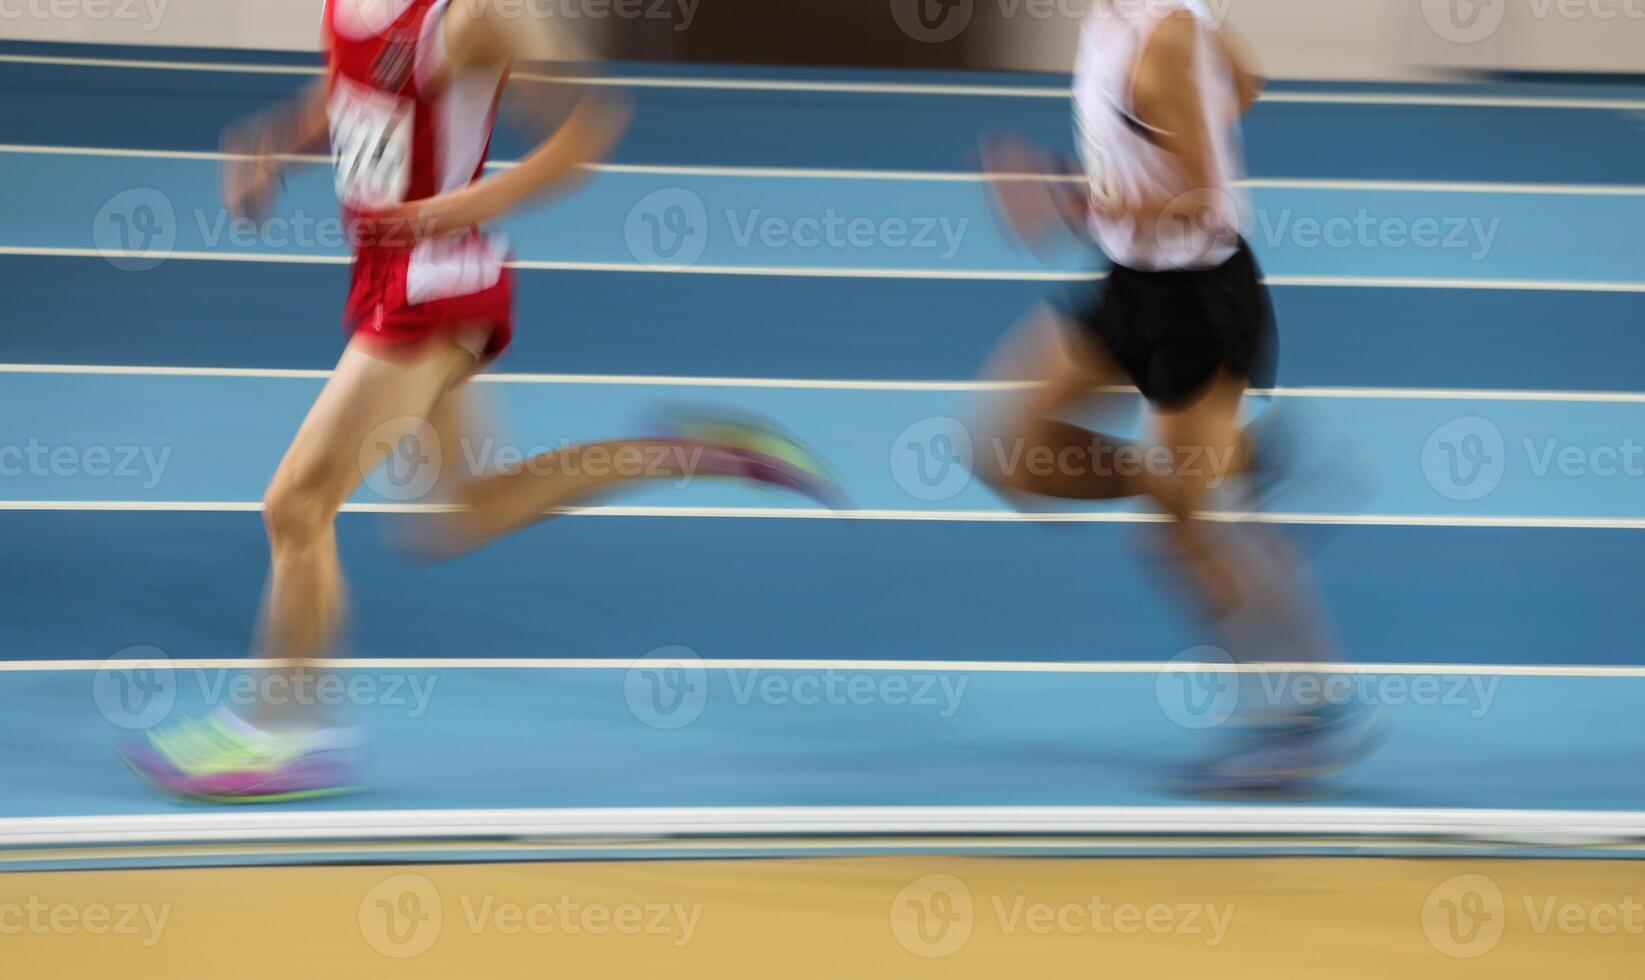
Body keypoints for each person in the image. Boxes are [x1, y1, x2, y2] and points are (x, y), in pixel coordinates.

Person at [120, 0, 837, 803]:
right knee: (459, 515)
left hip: (436, 284)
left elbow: (590, 126)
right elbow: (352, 89)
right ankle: (690, 450)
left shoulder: (472, 17)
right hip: (386, 276)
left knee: (297, 503)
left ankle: (284, 731)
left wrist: (464, 207)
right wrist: (274, 143)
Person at [977, 0, 1379, 794]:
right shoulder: (1125, 18)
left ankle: (1312, 715)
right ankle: (1243, 461)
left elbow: (1212, 205)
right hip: (1129, 286)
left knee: (1177, 537)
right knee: (1006, 452)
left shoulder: (1163, 37)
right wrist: (1142, 164)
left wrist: (1085, 200)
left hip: (1198, 307)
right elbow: (1249, 81)